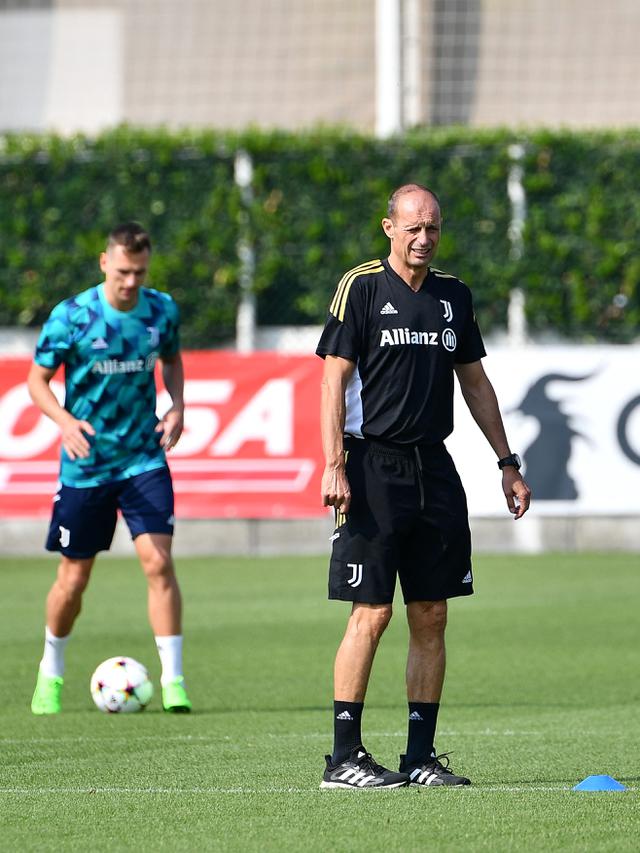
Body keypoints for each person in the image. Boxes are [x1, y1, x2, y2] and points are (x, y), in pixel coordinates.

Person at [316, 183, 531, 789]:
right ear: (389, 228)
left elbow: (475, 383)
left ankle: (419, 757)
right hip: (370, 465)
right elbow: (333, 381)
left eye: (432, 227)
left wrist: (507, 462)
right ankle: (344, 758)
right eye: (412, 227)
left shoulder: (453, 295)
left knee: (432, 612)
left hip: (433, 468)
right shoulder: (361, 287)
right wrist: (334, 463)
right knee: (373, 611)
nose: (423, 238)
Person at [29, 222, 192, 715]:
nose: (130, 281)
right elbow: (37, 381)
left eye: (139, 272)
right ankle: (50, 672)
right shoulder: (72, 316)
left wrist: (177, 404)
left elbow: (172, 360)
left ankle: (174, 682)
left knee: (158, 563)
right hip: (86, 465)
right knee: (74, 577)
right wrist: (64, 422)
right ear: (104, 263)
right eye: (122, 271)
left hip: (143, 458)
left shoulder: (161, 310)